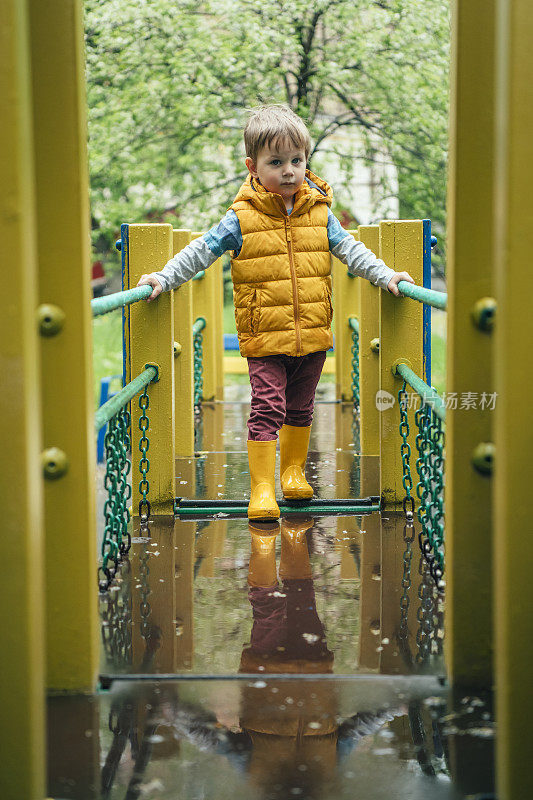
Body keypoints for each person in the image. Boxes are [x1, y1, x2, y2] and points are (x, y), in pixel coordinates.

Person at [136, 104, 415, 520]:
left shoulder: (320, 213)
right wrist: (163, 277)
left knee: (301, 408)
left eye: (297, 161)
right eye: (276, 162)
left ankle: (292, 473)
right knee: (268, 407)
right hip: (265, 337)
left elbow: (352, 251)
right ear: (252, 165)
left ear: (306, 161)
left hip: (314, 334)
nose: (289, 171)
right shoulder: (241, 218)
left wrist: (387, 276)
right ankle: (263, 488)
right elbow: (201, 252)